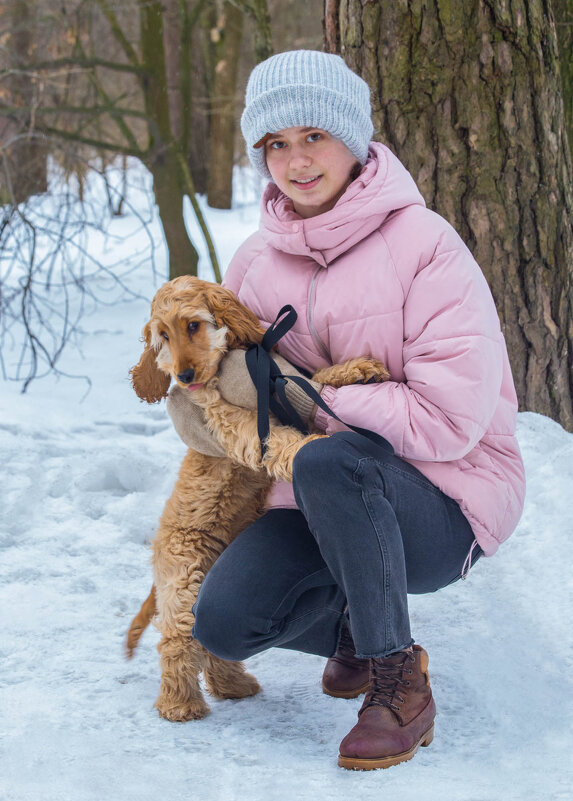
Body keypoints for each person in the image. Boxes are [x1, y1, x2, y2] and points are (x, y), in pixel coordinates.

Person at [166, 50, 526, 770]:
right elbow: (221, 391)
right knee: (224, 622)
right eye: (275, 143)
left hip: (446, 501)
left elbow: (451, 420)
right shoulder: (253, 265)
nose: (295, 161)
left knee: (329, 456)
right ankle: (359, 627)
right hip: (311, 499)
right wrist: (200, 398)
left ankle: (397, 680)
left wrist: (313, 398)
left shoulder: (426, 247)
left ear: (353, 142)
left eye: (314, 137)